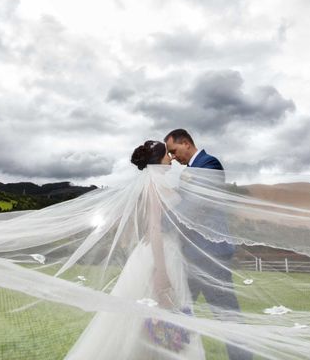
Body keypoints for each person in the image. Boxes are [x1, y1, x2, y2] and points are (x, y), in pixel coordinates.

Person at [65, 140, 205, 360]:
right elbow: (155, 227)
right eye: (167, 155)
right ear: (159, 160)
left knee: (153, 319)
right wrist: (160, 272)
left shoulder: (159, 183)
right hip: (161, 255)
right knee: (152, 315)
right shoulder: (154, 185)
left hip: (166, 251)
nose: (170, 158)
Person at [164, 129, 251, 360]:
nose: (173, 158)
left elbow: (195, 205)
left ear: (186, 143)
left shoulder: (209, 164)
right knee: (177, 314)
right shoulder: (191, 170)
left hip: (211, 256)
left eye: (174, 151)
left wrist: (162, 222)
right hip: (191, 256)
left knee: (228, 318)